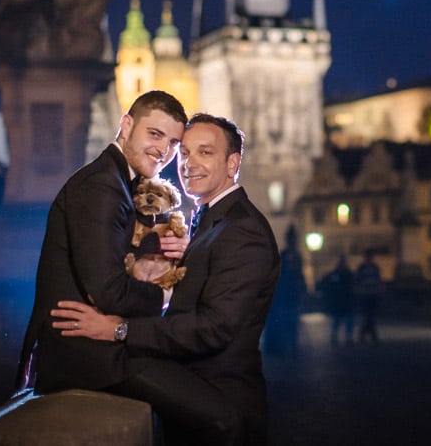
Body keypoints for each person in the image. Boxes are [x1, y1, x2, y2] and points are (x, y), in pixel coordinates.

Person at [51, 113, 281, 446]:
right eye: (184, 153)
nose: (189, 164)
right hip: (195, 398)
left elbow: (213, 328)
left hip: (220, 404)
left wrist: (118, 329)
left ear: (232, 164)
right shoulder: (211, 222)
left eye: (205, 152)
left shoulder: (243, 231)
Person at [16, 89, 189, 394]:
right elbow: (110, 293)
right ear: (126, 125)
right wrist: (168, 296)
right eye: (154, 134)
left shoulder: (121, 182)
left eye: (173, 142)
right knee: (218, 416)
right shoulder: (102, 186)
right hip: (85, 356)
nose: (164, 149)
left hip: (97, 348)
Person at [263, 224, 307, 357]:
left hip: (289, 294)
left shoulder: (291, 256)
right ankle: (289, 344)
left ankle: (290, 344)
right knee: (288, 320)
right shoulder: (289, 256)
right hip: (286, 294)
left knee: (290, 321)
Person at [318, 254, 355, 346]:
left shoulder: (342, 273)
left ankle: (344, 337)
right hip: (341, 300)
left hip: (344, 299)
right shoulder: (341, 273)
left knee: (343, 320)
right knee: (340, 320)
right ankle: (338, 337)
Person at [354, 250, 382, 344]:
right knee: (368, 315)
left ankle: (365, 334)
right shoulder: (363, 268)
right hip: (366, 294)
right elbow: (358, 280)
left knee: (369, 315)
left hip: (371, 294)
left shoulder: (374, 267)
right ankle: (371, 335)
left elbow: (378, 280)